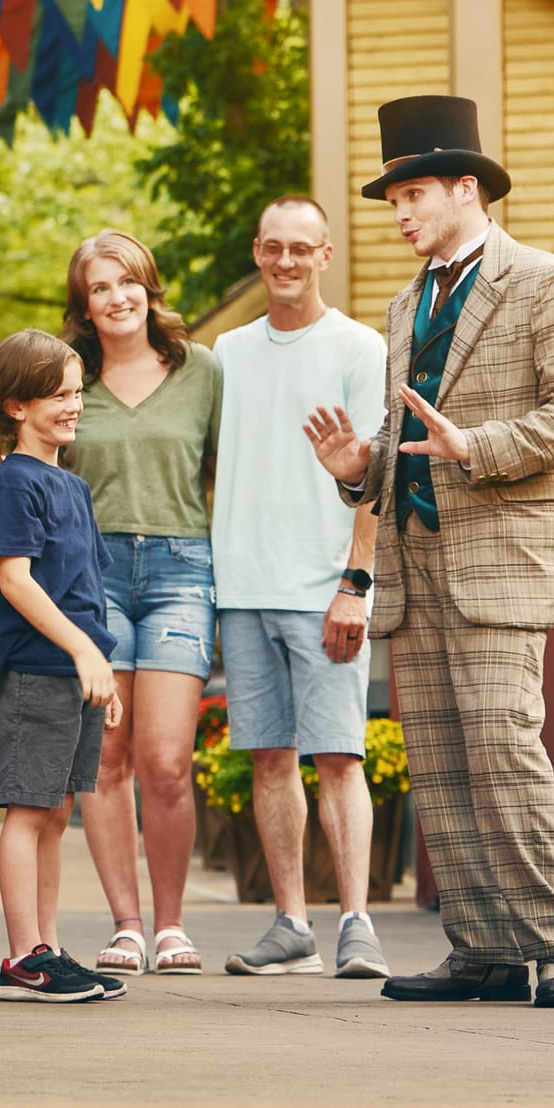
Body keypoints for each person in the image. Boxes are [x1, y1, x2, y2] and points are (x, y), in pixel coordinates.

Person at [306, 96, 554, 1009]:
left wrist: (475, 444)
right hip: (415, 561)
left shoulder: (551, 281)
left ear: (467, 187)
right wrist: (357, 468)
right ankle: (481, 947)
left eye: (413, 194)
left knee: (505, 751)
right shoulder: (408, 302)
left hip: (505, 560)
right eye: (392, 199)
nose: (399, 214)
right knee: (441, 757)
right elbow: (409, 443)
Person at [212, 195, 389, 982]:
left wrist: (356, 582)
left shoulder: (358, 346)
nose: (285, 261)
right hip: (242, 584)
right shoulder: (227, 351)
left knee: (339, 756)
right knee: (269, 759)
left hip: (325, 587)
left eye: (301, 248)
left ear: (325, 254)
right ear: (258, 251)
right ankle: (291, 924)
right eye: (273, 247)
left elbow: (377, 477)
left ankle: (355, 921)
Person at [62, 232, 222, 976]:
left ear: (149, 288)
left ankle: (171, 923)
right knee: (105, 757)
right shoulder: (67, 380)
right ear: (84, 305)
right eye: (100, 287)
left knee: (165, 759)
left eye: (127, 281)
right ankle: (125, 924)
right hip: (91, 575)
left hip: (180, 567)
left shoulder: (201, 373)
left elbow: (223, 474)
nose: (116, 297)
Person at [0, 330, 126, 1004]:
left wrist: (100, 661)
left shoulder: (70, 483)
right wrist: (81, 649)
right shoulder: (13, 483)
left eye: (75, 392)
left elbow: (83, 583)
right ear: (14, 405)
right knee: (29, 809)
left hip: (74, 670)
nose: (74, 405)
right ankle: (21, 958)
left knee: (56, 807)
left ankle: (49, 946)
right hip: (38, 668)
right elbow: (17, 581)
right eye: (57, 395)